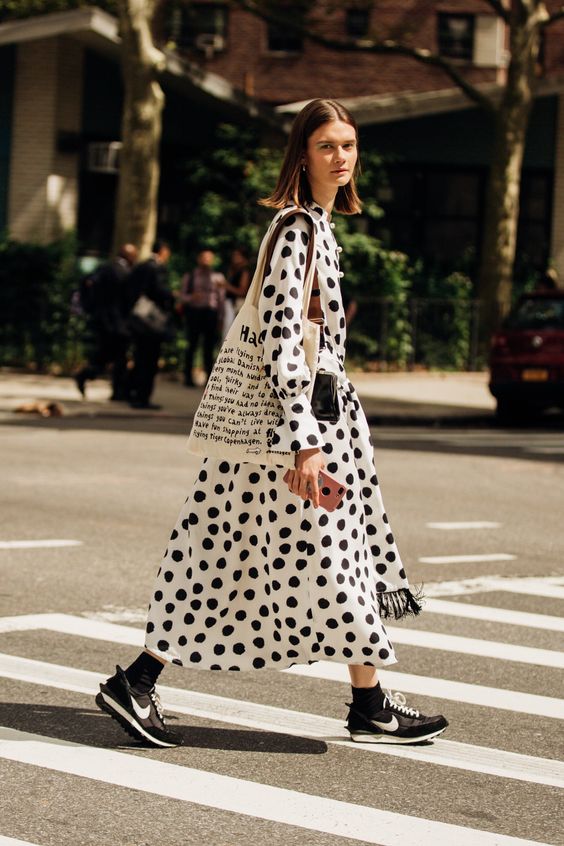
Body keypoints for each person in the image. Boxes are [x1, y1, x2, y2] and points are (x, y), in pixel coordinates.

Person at [95, 99, 448, 748]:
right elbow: (282, 341)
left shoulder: (320, 226)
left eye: (348, 145)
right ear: (302, 155)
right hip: (291, 437)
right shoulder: (297, 232)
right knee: (233, 557)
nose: (342, 158)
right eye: (327, 147)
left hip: (306, 431)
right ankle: (139, 682)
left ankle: (367, 701)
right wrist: (305, 445)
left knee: (315, 558)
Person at [74, 244, 137, 401]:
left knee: (111, 356)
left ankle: (113, 388)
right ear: (128, 256)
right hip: (115, 322)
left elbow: (86, 283)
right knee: (114, 356)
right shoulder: (122, 271)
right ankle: (89, 376)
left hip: (104, 320)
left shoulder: (104, 268)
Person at [127, 240, 174, 410]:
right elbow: (160, 292)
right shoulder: (157, 267)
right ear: (162, 251)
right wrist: (173, 295)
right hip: (152, 321)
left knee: (139, 358)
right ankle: (142, 397)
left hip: (138, 318)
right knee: (149, 360)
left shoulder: (141, 266)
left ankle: (133, 393)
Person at [179, 249, 226, 386]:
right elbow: (182, 296)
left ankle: (209, 379)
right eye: (204, 258)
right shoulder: (191, 276)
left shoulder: (218, 277)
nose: (206, 261)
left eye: (209, 258)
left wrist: (221, 318)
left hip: (211, 314)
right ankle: (187, 377)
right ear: (199, 259)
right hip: (194, 312)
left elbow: (221, 299)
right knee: (192, 345)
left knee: (209, 347)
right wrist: (191, 297)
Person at [220, 246, 251, 337]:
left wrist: (226, 286)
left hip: (237, 305)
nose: (234, 257)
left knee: (230, 331)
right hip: (231, 304)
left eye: (237, 255)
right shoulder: (234, 270)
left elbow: (242, 291)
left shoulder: (245, 271)